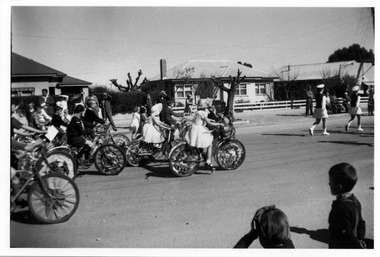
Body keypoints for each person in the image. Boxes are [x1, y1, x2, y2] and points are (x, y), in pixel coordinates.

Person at [328, 163, 366, 248]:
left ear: (339, 187)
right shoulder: (355, 200)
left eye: (331, 181)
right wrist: (360, 239)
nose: (329, 184)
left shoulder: (341, 208)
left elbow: (345, 234)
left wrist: (356, 244)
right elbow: (361, 223)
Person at [185, 99, 224, 172]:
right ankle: (208, 161)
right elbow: (209, 123)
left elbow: (204, 119)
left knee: (200, 143)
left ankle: (203, 156)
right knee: (209, 143)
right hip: (199, 129)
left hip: (194, 129)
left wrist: (211, 120)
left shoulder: (198, 112)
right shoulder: (202, 112)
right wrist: (219, 124)